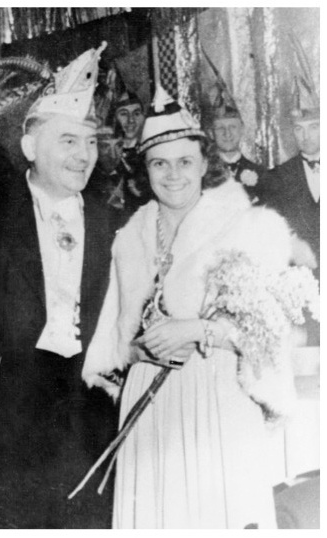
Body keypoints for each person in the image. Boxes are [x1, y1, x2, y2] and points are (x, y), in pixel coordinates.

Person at [0, 43, 125, 529]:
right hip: (1, 406)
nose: (84, 155)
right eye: (68, 140)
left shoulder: (109, 220)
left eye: (90, 142)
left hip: (82, 414)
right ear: (31, 147)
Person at [82, 87, 301, 529]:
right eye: (159, 163)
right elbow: (112, 340)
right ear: (144, 170)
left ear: (205, 163)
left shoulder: (246, 225)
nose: (173, 175)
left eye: (185, 162)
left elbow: (274, 335)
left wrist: (198, 331)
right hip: (149, 402)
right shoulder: (129, 238)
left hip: (218, 397)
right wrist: (137, 350)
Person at [259, 86, 320, 345]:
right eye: (299, 129)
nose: (306, 136)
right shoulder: (278, 177)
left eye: (314, 127)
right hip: (300, 293)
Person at [209, 101, 265, 203]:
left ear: (242, 129)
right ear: (211, 133)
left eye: (232, 127)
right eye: (220, 128)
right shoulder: (202, 174)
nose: (227, 133)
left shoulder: (261, 174)